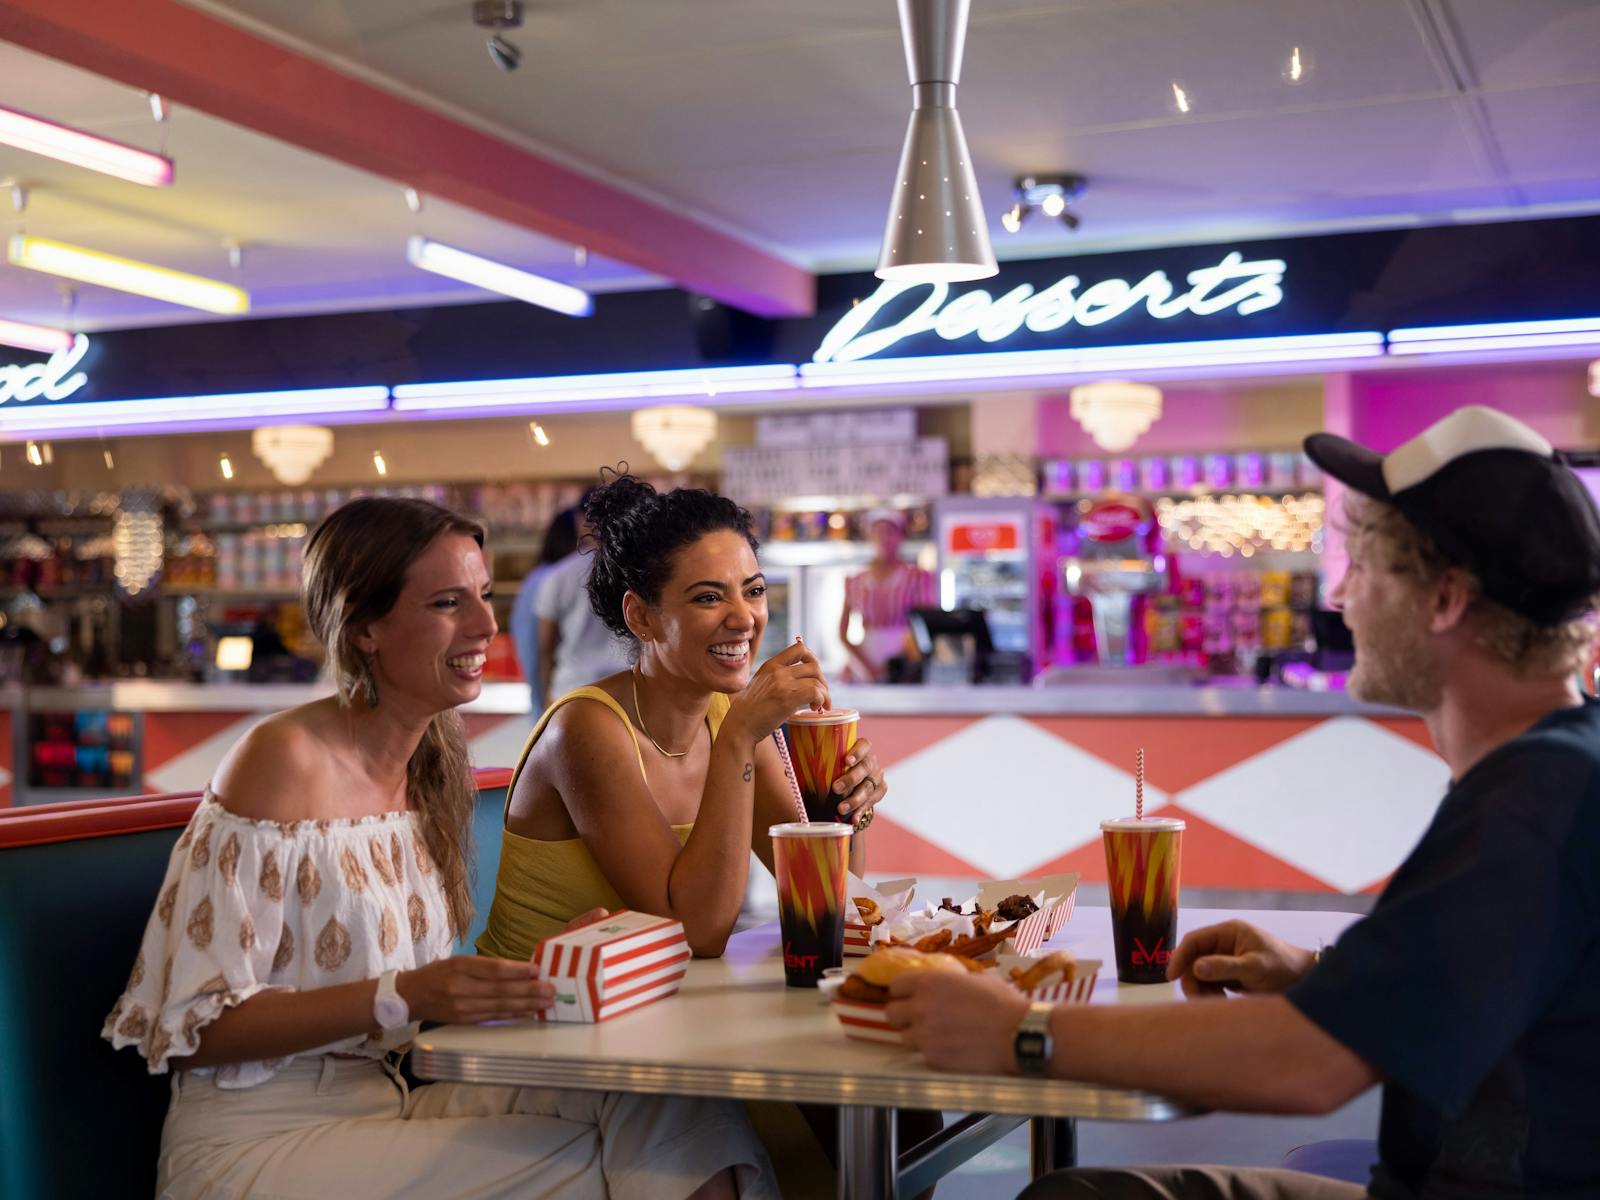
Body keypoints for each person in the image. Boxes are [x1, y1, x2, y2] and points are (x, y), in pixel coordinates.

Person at [884, 406, 1600, 1200]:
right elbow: (1499, 985)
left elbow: (1309, 1064)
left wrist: (1019, 1032)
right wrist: (1319, 976)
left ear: (1445, 600)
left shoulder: (1532, 803)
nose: (1339, 595)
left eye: (1364, 568)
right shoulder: (1561, 767)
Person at [103, 496, 776, 1200]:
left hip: (392, 1098)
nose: (486, 625)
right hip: (259, 1142)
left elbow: (410, 998)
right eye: (448, 603)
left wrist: (548, 971)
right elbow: (196, 1029)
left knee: (669, 1099)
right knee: (611, 1163)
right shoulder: (280, 759)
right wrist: (402, 995)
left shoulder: (432, 761)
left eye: (483, 596)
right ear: (364, 627)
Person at [479, 471, 889, 960]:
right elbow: (696, 933)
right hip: (538, 1002)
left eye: (754, 590)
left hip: (651, 997)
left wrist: (848, 803)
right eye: (709, 597)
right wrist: (738, 738)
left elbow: (828, 893)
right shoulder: (585, 729)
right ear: (641, 616)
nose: (744, 618)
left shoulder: (729, 717)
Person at [536, 493, 630, 703]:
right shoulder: (636, 571)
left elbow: (545, 645)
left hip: (572, 689)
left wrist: (545, 701)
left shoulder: (559, 575)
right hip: (626, 686)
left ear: (581, 521)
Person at [839, 508, 935, 683]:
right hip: (865, 662)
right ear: (870, 536)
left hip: (905, 661)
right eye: (878, 532)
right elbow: (842, 633)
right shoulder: (855, 581)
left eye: (890, 532)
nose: (884, 538)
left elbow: (925, 627)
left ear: (900, 536)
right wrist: (865, 666)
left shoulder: (917, 578)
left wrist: (901, 663)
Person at [511, 506, 578, 713]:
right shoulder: (555, 578)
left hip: (553, 697)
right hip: (558, 697)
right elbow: (541, 649)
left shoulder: (540, 577)